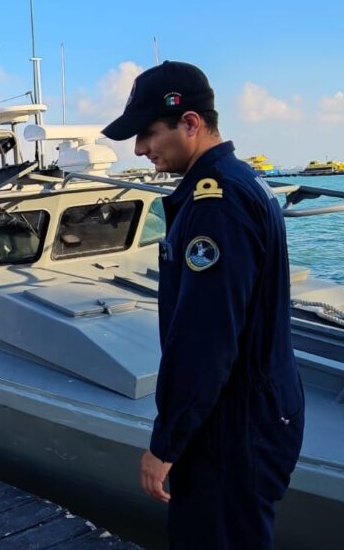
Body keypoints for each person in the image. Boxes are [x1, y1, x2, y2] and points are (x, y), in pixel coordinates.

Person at [102, 61, 304, 549]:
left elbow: (206, 338)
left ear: (190, 123)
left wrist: (165, 444)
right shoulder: (239, 182)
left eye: (148, 134)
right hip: (253, 411)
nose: (140, 149)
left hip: (233, 427)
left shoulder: (216, 204)